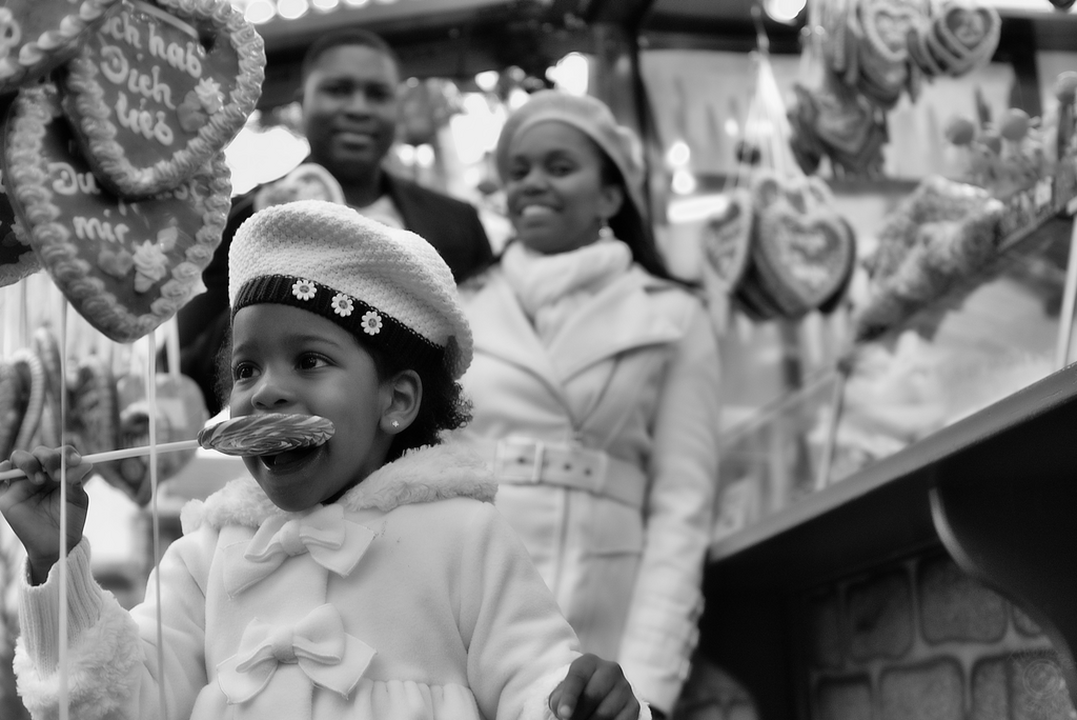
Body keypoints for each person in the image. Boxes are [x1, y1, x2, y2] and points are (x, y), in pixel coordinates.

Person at [0, 201, 649, 720]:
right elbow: (115, 703)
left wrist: (577, 702)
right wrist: (54, 557)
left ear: (395, 401)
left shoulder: (463, 538)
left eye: (308, 361)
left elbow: (533, 680)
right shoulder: (206, 557)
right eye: (247, 369)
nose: (266, 391)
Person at [452, 91, 722, 719]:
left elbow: (682, 505)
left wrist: (651, 678)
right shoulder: (456, 309)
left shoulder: (674, 313)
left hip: (606, 626)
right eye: (518, 171)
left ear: (610, 196)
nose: (532, 184)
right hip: (469, 610)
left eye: (559, 167)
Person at [178, 28, 494, 416]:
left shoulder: (455, 222)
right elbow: (189, 369)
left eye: (377, 94)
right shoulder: (241, 221)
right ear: (301, 103)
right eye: (338, 90)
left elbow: (489, 351)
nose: (358, 107)